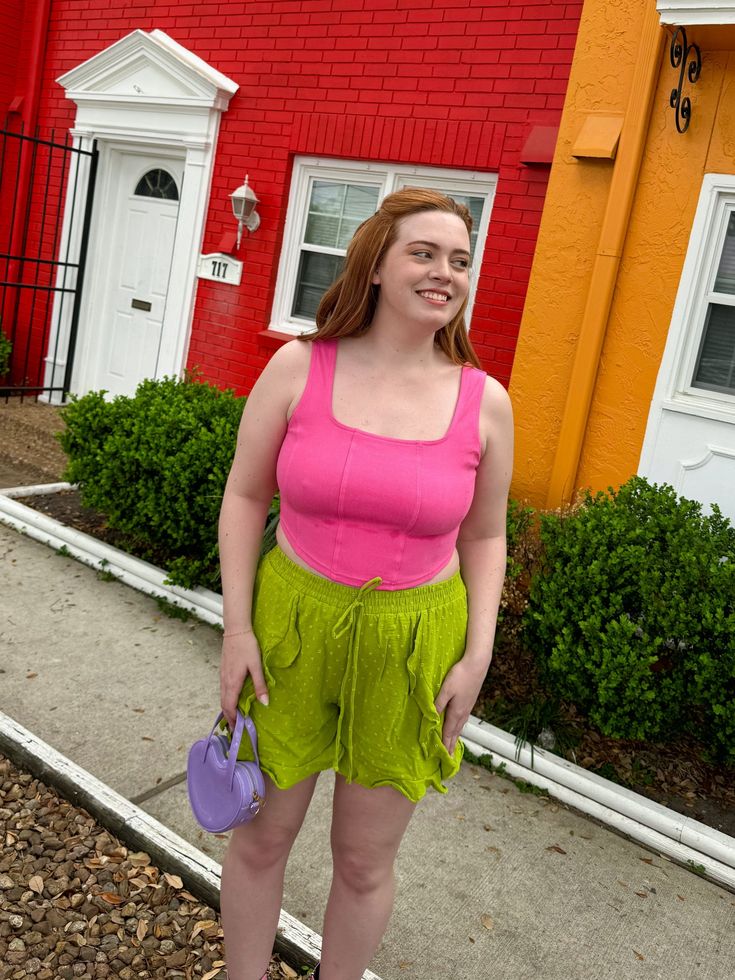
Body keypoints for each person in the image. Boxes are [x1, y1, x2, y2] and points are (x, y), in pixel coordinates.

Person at [217, 188, 513, 980]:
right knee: (262, 836)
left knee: (362, 863)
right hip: (291, 627)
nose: (444, 272)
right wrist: (238, 630)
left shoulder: (485, 402)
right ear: (376, 265)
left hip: (416, 642)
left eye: (458, 259)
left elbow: (485, 536)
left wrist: (476, 656)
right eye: (424, 253)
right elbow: (246, 496)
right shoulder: (297, 367)